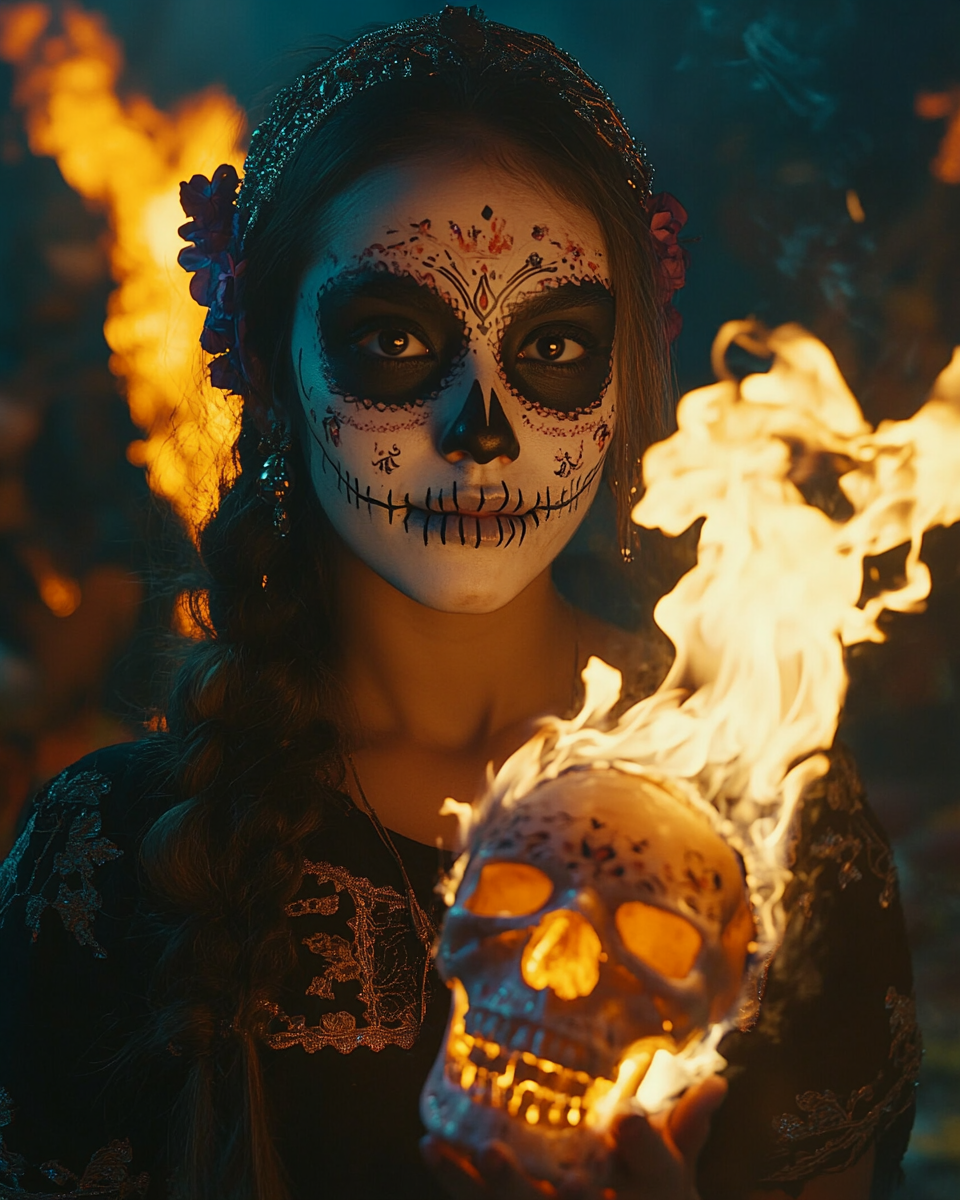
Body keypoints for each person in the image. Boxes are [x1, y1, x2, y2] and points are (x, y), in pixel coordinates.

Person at [0, 8, 918, 1200]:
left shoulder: (775, 829)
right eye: (394, 338)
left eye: (550, 349)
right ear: (269, 368)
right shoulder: (115, 858)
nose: (480, 433)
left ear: (623, 370)